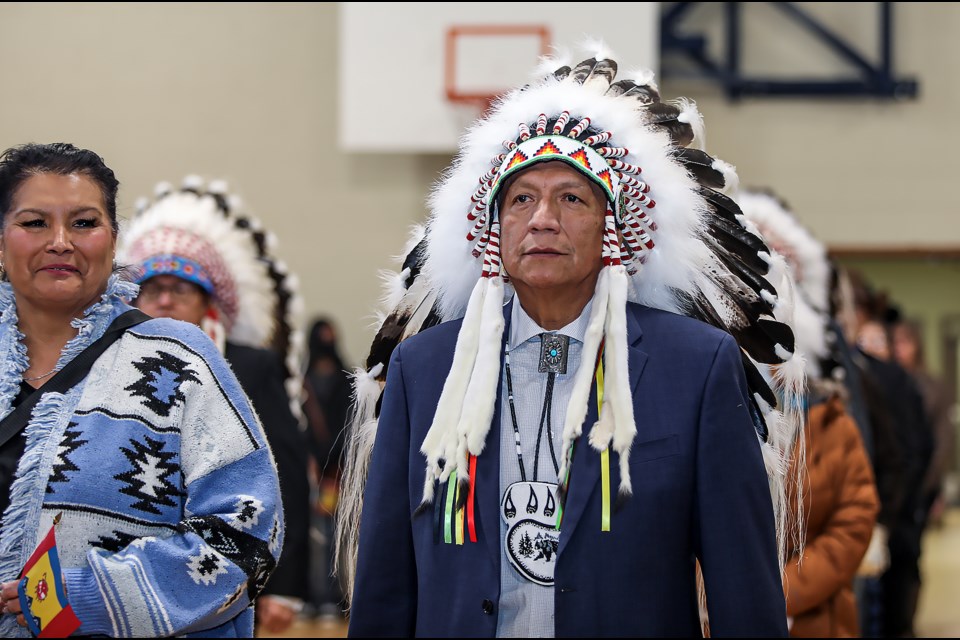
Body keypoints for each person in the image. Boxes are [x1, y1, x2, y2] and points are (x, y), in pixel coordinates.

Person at [337, 46, 807, 636]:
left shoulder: (695, 366)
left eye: (571, 198)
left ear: (613, 228)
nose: (542, 220)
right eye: (522, 199)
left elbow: (742, 585)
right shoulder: (424, 370)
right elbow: (385, 583)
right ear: (495, 228)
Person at [0, 143, 282, 637]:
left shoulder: (179, 360)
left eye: (84, 223)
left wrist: (90, 596)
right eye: (34, 222)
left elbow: (246, 534)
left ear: (114, 241)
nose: (61, 241)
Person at [116, 176, 311, 635]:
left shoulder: (249, 366)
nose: (164, 300)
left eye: (179, 289)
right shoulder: (112, 370)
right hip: (131, 572)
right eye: (152, 288)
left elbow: (284, 478)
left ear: (207, 302)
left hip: (225, 571)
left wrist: (283, 585)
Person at [736, 188, 880, 637]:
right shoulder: (709, 403)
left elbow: (855, 515)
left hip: (817, 616)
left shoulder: (828, 413)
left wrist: (783, 591)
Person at [893, 319, 955, 530]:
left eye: (905, 342)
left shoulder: (934, 386)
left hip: (924, 480)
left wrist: (931, 483)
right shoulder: (881, 382)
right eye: (895, 343)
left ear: (917, 346)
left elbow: (943, 439)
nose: (899, 349)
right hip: (892, 481)